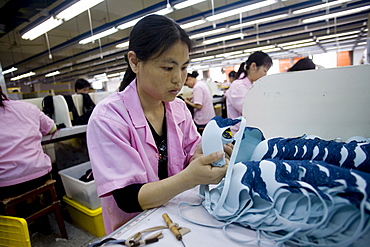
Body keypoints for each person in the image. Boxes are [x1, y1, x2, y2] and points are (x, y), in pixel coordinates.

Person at [86, 14, 231, 234]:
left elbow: (191, 154)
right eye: (167, 68)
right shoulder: (109, 117)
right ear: (134, 62)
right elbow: (127, 198)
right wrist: (190, 177)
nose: (178, 79)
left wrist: (207, 153)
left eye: (183, 68)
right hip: (136, 228)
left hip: (178, 213)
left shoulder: (179, 108)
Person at [0, 85, 57, 234]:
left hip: (6, 184)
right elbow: (51, 128)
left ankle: (14, 231)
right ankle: (44, 224)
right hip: (39, 174)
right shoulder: (28, 107)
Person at [226, 51, 272, 121]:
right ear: (253, 66)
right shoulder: (238, 86)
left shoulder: (251, 85)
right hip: (242, 130)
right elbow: (251, 111)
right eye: (264, 71)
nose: (265, 75)